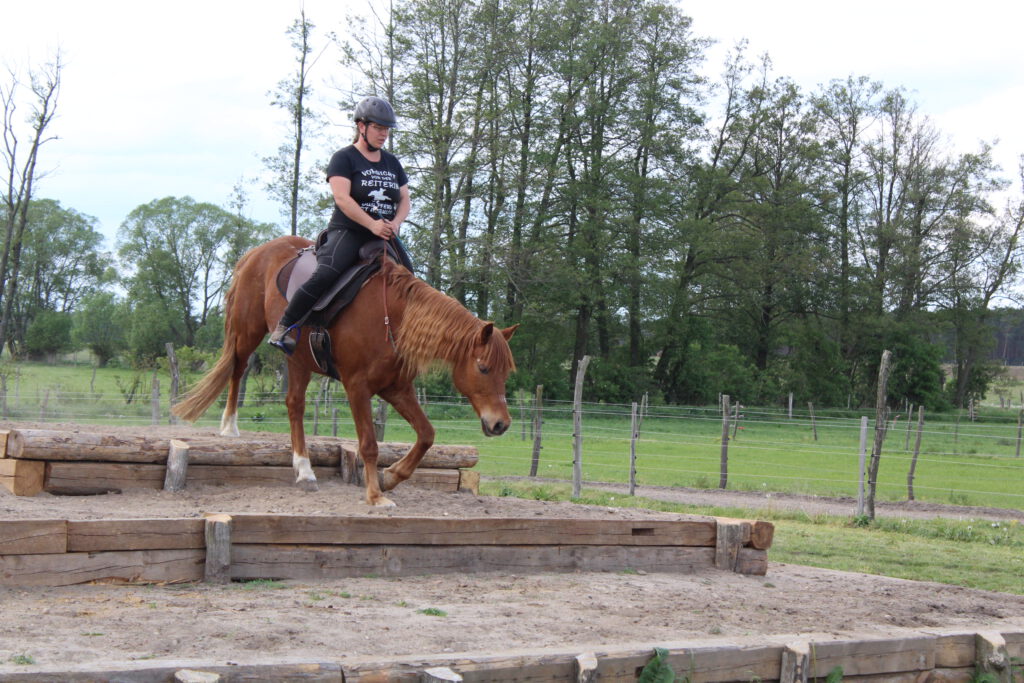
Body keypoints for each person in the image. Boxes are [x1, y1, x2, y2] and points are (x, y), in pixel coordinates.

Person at [268, 96, 412, 352]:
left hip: (385, 234)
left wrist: (397, 223)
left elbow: (404, 200)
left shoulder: (392, 163)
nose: (383, 134)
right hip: (350, 231)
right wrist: (372, 224)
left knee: (411, 280)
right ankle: (285, 326)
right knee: (326, 273)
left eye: (386, 129)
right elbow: (343, 199)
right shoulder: (344, 158)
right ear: (361, 126)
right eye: (378, 128)